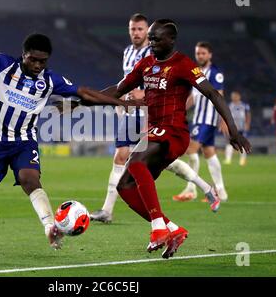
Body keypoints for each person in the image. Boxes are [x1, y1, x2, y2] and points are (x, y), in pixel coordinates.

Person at [0, 8, 138, 264]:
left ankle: (50, 228)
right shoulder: (3, 65)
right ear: (24, 55)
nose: (37, 65)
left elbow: (84, 93)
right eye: (33, 59)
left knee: (29, 179)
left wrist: (116, 101)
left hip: (24, 141)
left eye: (42, 61)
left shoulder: (50, 80)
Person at [101, 19, 251, 258]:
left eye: (156, 39)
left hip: (174, 132)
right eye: (150, 39)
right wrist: (79, 100)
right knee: (125, 186)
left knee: (137, 162)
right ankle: (172, 229)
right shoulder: (146, 63)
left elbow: (212, 93)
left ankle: (158, 229)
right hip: (153, 131)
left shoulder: (183, 64)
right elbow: (117, 89)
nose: (151, 43)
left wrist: (233, 130)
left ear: (171, 40)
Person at [91, 14, 219, 224]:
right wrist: (119, 101)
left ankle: (201, 191)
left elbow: (160, 84)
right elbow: (125, 82)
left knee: (152, 161)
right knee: (123, 157)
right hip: (132, 113)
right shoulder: (128, 52)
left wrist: (143, 94)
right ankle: (109, 210)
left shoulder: (156, 53)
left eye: (140, 29)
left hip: (152, 115)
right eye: (133, 29)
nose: (137, 33)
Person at [172, 41, 228, 202]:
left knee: (190, 150)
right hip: (199, 119)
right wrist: (179, 109)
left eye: (203, 53)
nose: (200, 56)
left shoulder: (215, 73)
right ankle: (221, 192)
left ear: (210, 55)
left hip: (207, 119)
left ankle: (191, 190)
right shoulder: (197, 72)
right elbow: (193, 97)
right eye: (198, 53)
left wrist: (223, 118)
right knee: (209, 153)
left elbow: (219, 96)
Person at [224, 91, 251, 166]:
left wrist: (247, 124)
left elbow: (248, 115)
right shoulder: (229, 105)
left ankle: (242, 160)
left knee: (242, 143)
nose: (234, 97)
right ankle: (228, 159)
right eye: (232, 96)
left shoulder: (244, 105)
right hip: (232, 128)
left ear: (239, 96)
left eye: (235, 96)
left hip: (242, 128)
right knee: (229, 143)